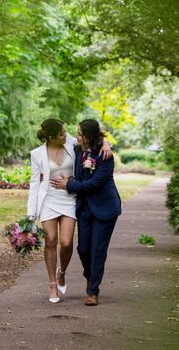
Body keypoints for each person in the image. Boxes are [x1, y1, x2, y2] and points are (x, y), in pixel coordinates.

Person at [27, 119, 112, 304]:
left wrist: (105, 143)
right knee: (50, 240)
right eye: (62, 133)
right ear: (51, 137)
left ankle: (62, 272)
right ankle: (52, 285)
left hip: (69, 198)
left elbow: (94, 140)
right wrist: (30, 214)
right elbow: (34, 184)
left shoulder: (70, 143)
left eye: (66, 132)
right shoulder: (37, 154)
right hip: (48, 199)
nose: (67, 135)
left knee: (66, 243)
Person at [51, 119, 122, 306]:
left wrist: (69, 185)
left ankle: (93, 291)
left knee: (98, 249)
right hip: (84, 208)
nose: (77, 137)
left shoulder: (105, 156)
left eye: (80, 134)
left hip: (105, 209)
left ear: (89, 137)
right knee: (83, 249)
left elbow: (93, 184)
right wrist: (106, 141)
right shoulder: (78, 149)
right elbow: (55, 139)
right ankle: (91, 275)